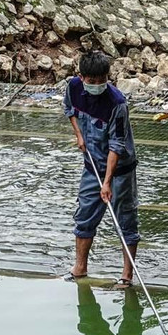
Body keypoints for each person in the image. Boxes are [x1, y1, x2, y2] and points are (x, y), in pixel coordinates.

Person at [63, 51, 139, 286]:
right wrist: (79, 135)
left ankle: (126, 277)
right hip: (92, 165)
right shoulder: (73, 87)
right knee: (84, 216)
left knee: (125, 221)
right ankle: (79, 268)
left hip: (120, 171)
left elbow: (117, 145)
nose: (97, 85)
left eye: (102, 80)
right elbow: (69, 109)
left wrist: (107, 182)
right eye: (92, 81)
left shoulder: (117, 104)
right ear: (81, 77)